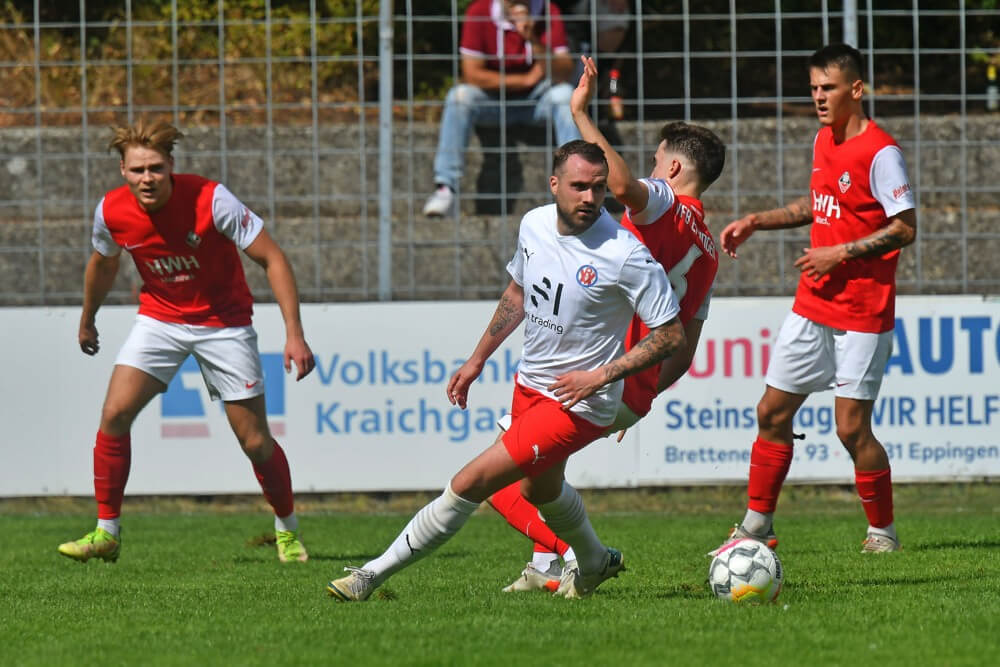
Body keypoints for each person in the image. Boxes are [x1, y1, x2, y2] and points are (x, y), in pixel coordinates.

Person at [328, 140, 686, 601]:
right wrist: (477, 359)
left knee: (470, 482)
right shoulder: (534, 224)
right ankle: (594, 559)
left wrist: (602, 376)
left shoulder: (624, 254)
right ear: (554, 184)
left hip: (580, 401)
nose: (590, 199)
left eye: (599, 189)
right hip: (530, 385)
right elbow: (517, 295)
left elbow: (670, 335)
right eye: (579, 187)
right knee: (540, 491)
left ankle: (369, 576)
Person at [492, 56, 727, 591]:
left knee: (499, 482)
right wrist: (639, 393)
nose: (648, 167)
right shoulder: (708, 251)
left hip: (595, 374)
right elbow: (685, 347)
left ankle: (580, 556)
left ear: (671, 169)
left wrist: (581, 113)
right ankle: (546, 567)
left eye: (654, 159)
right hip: (630, 387)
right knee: (544, 473)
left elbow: (622, 188)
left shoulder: (666, 202)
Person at [57, 119, 316, 564]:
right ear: (122, 170)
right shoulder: (111, 211)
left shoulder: (212, 200)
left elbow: (272, 257)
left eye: (155, 168)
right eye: (137, 169)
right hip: (160, 319)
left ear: (171, 165)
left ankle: (287, 530)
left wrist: (294, 334)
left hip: (225, 323)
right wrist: (88, 319)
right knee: (115, 413)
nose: (147, 178)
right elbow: (102, 264)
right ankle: (107, 532)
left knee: (255, 442)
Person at [708, 43, 917, 556]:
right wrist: (758, 221)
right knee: (772, 412)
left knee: (850, 428)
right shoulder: (824, 140)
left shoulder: (881, 152)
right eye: (814, 88)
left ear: (856, 89)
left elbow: (905, 228)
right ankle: (757, 526)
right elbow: (819, 205)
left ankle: (882, 535)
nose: (819, 98)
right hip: (813, 304)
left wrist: (840, 253)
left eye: (828, 88)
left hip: (862, 311)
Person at [422, 0, 581, 217]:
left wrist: (533, 39)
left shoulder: (548, 10)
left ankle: (575, 186)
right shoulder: (479, 11)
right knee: (459, 97)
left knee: (565, 96)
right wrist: (525, 80)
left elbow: (564, 73)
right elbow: (472, 74)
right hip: (493, 101)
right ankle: (446, 188)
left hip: (538, 101)